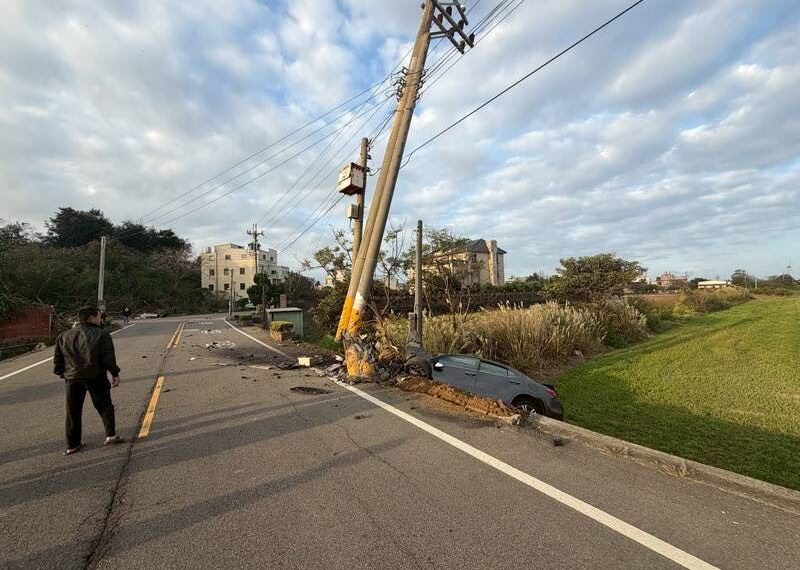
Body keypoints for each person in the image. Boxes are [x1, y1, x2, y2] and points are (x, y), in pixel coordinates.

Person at [53, 306, 124, 455]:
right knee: (104, 405)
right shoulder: (102, 334)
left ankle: (72, 445)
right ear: (91, 318)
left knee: (73, 411)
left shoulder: (64, 335)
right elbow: (108, 357)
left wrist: (64, 373)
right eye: (99, 316)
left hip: (72, 378)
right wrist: (115, 373)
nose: (101, 319)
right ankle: (110, 435)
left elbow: (58, 361)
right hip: (95, 375)